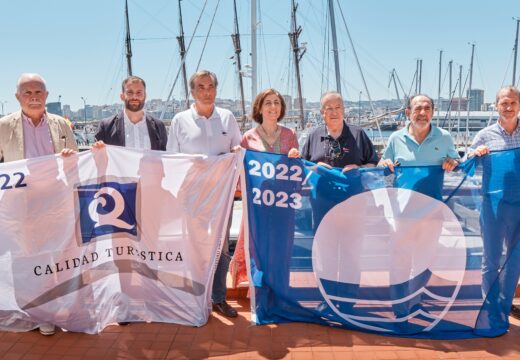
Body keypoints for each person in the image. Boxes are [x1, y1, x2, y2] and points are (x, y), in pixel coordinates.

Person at [0, 73, 78, 335]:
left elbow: (76, 160)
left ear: (46, 95)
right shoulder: (3, 127)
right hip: (20, 205)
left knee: (55, 256)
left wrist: (69, 158)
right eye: (27, 93)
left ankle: (52, 310)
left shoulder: (60, 124)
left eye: (38, 92)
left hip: (55, 203)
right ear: (17, 97)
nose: (33, 97)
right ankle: (31, 312)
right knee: (24, 259)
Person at [167, 70, 241, 318]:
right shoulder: (180, 120)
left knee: (221, 248)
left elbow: (236, 150)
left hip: (223, 195)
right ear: (193, 91)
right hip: (192, 196)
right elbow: (171, 159)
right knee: (193, 245)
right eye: (201, 87)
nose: (207, 92)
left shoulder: (228, 117)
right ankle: (194, 296)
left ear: (216, 90)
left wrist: (236, 151)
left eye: (211, 87)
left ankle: (218, 297)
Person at [230, 88, 299, 288]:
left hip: (282, 205)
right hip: (257, 205)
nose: (273, 107)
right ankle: (258, 292)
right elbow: (240, 172)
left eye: (277, 103)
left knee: (281, 247)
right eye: (268, 103)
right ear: (259, 108)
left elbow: (296, 171)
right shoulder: (248, 138)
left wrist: (296, 156)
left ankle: (280, 289)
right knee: (257, 247)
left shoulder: (290, 135)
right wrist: (236, 155)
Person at [468, 86, 520, 324]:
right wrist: (474, 153)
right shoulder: (484, 135)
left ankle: (504, 305)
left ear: (518, 105)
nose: (508, 108)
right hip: (493, 206)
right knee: (491, 258)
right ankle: (490, 308)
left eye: (512, 103)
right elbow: (464, 164)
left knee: (515, 259)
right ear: (496, 106)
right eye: (503, 103)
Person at [378, 94, 459, 172]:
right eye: (418, 108)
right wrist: (383, 164)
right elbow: (380, 168)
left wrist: (455, 162)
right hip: (402, 187)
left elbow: (458, 162)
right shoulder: (395, 138)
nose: (423, 113)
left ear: (432, 112)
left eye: (427, 109)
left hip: (434, 186)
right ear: (407, 113)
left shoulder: (444, 136)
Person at [301, 91, 378, 171]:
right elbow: (302, 166)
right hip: (321, 183)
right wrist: (314, 168)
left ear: (343, 110)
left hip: (352, 183)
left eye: (338, 107)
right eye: (329, 108)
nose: (334, 112)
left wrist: (359, 168)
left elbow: (374, 164)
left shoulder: (358, 134)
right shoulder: (313, 136)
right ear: (322, 112)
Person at [94, 76, 167, 150]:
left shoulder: (159, 126)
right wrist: (97, 149)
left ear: (145, 96)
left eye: (139, 92)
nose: (134, 97)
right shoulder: (106, 126)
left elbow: (164, 156)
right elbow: (97, 158)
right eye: (130, 92)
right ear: (122, 96)